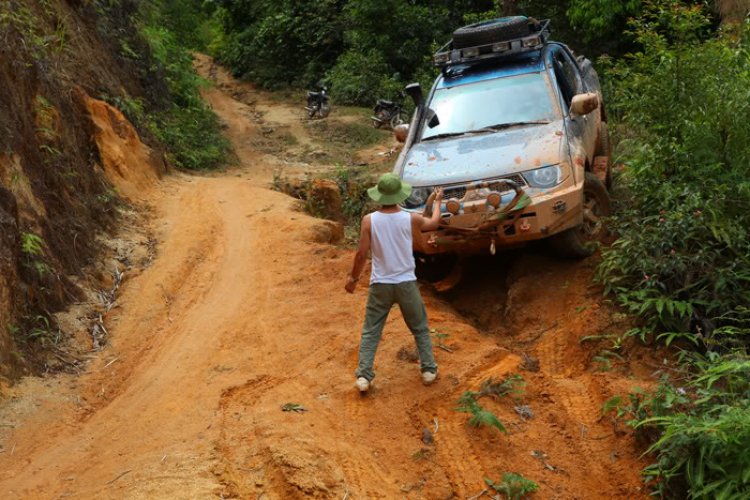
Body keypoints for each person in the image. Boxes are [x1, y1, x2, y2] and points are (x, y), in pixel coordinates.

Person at [345, 172, 444, 392]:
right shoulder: (410, 218)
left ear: (379, 196)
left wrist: (353, 279)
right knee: (419, 328)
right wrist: (437, 202)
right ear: (400, 195)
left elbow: (361, 254)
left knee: (371, 330)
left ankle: (363, 376)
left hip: (380, 284)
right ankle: (428, 370)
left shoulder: (369, 220)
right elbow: (434, 222)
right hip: (406, 283)